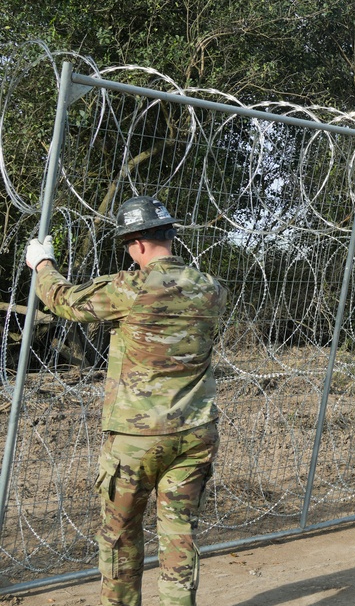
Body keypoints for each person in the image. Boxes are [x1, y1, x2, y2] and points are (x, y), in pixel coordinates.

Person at [24, 196, 229, 606]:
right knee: (180, 536)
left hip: (136, 439)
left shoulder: (130, 289)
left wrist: (42, 264)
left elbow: (65, 300)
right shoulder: (211, 289)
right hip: (194, 433)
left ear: (137, 244)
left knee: (120, 537)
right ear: (169, 235)